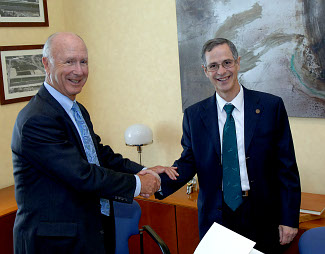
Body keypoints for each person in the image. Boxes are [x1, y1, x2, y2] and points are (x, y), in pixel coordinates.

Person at [11, 32, 178, 254]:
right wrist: (138, 184)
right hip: (54, 245)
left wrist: (144, 170)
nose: (79, 71)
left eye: (84, 62)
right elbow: (82, 175)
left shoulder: (76, 110)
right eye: (69, 61)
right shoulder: (37, 120)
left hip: (89, 234)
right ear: (46, 64)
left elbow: (99, 155)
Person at [156, 38, 301, 253]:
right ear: (205, 70)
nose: (221, 71)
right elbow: (188, 162)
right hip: (217, 216)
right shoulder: (194, 116)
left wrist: (289, 219)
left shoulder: (271, 107)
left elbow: (287, 167)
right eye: (213, 66)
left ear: (238, 63)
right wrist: (155, 182)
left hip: (262, 214)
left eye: (227, 63)